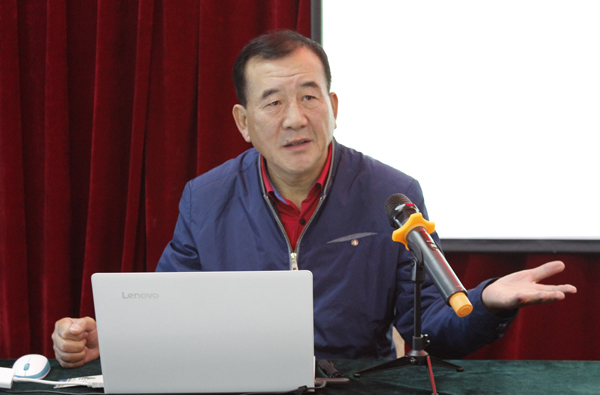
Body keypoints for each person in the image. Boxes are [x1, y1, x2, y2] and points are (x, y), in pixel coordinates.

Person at [52, 30, 576, 368]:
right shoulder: (205, 198)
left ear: (333, 106)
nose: (295, 118)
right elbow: (170, 314)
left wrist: (484, 302)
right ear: (243, 123)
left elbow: (431, 328)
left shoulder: (392, 194)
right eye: (273, 103)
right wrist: (112, 340)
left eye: (309, 96)